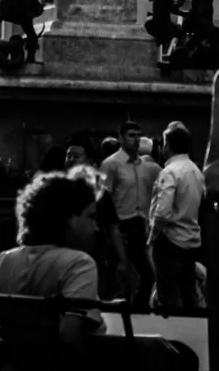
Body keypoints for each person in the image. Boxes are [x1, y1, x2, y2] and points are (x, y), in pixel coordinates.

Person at [0, 172, 107, 345]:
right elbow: (70, 336)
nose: (96, 227)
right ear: (68, 218)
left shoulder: (0, 263)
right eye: (91, 217)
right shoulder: (80, 264)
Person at [147, 123, 205, 315]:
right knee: (189, 292)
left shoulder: (170, 172)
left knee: (169, 295)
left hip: (170, 240)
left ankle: (173, 329)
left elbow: (162, 212)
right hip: (191, 239)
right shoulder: (196, 171)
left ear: (168, 146)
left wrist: (153, 236)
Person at [100, 130, 151, 306]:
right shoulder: (111, 165)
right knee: (121, 274)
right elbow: (105, 199)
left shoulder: (141, 165)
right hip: (120, 225)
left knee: (139, 275)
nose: (136, 139)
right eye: (131, 135)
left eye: (138, 135)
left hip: (134, 224)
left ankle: (134, 309)